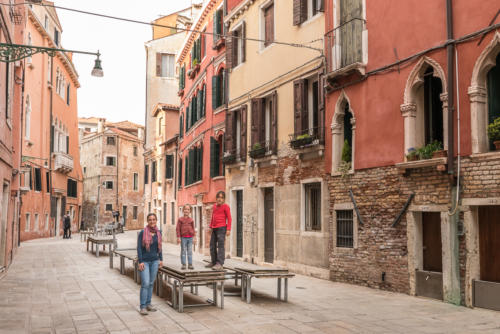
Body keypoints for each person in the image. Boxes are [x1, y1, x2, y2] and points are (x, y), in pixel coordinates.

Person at [137, 213, 163, 315]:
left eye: (154, 219)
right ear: (147, 221)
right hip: (145, 262)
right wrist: (140, 261)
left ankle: (148, 304)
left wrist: (161, 259)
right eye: (150, 220)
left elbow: (160, 247)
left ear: (156, 220)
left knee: (151, 283)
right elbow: (139, 248)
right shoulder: (143, 232)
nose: (152, 221)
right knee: (145, 283)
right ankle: (142, 306)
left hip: (155, 261)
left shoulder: (158, 232)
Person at [206, 191, 231, 270]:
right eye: (218, 197)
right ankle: (213, 262)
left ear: (224, 199)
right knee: (212, 245)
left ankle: (220, 263)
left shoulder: (226, 207)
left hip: (222, 228)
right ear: (216, 198)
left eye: (222, 197)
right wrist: (210, 227)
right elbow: (213, 217)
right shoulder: (214, 206)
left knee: (220, 246)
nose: (220, 199)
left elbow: (229, 218)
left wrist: (228, 229)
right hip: (214, 228)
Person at [176, 204, 196, 270]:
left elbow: (193, 229)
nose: (186, 210)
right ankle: (184, 264)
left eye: (188, 209)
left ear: (190, 211)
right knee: (183, 251)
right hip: (183, 238)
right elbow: (178, 229)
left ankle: (190, 264)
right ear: (183, 210)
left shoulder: (191, 220)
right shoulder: (180, 220)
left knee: (190, 251)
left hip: (190, 238)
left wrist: (194, 238)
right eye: (185, 209)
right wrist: (178, 237)